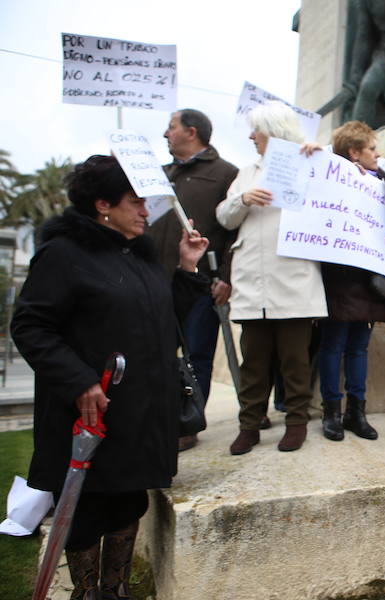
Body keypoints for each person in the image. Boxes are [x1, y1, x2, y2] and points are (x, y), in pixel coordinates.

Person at [11, 155, 209, 599]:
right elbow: (30, 325)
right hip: (89, 413)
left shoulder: (137, 255)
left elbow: (162, 322)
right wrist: (80, 380)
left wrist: (187, 269)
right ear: (103, 204)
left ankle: (114, 589)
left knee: (127, 499)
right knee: (86, 508)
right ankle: (85, 591)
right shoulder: (63, 255)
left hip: (140, 411)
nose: (145, 211)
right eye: (136, 201)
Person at [216, 101, 328, 454]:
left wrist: (322, 160)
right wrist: (243, 199)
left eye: (257, 130)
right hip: (253, 284)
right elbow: (224, 217)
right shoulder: (246, 173)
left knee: (295, 362)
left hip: (293, 282)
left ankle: (297, 423)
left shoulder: (312, 163)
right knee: (254, 363)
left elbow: (340, 194)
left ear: (275, 130)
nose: (251, 136)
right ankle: (249, 425)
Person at [153, 108, 241, 452]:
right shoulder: (160, 175)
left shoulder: (226, 174)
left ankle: (188, 422)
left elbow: (235, 231)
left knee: (197, 354)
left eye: (170, 127)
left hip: (201, 283)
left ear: (192, 132)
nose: (165, 134)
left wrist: (225, 278)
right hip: (156, 279)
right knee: (156, 352)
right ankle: (159, 419)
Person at [317, 120, 385, 442]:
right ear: (354, 153)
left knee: (358, 348)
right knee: (333, 347)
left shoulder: (380, 185)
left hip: (367, 278)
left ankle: (355, 412)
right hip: (338, 276)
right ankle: (331, 410)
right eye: (372, 148)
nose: (378, 154)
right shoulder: (328, 178)